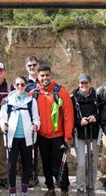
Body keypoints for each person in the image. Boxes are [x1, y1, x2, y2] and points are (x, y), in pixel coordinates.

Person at [29, 65, 74, 196]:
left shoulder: (60, 92)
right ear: (38, 77)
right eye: (42, 76)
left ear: (51, 76)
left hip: (58, 135)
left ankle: (64, 189)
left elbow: (68, 115)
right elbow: (21, 101)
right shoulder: (34, 94)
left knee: (60, 163)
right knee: (46, 163)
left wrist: (68, 135)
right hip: (42, 136)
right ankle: (50, 188)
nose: (45, 78)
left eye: (47, 75)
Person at [0, 76, 40, 196]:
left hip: (27, 138)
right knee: (11, 166)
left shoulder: (31, 100)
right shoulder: (8, 100)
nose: (20, 87)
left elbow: (36, 118)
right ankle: (12, 191)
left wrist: (35, 125)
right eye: (17, 84)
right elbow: (2, 117)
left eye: (22, 84)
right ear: (14, 85)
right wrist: (3, 125)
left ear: (26, 86)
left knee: (27, 165)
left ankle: (24, 190)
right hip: (12, 137)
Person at [72, 74, 100, 196]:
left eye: (86, 83)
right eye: (81, 83)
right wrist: (79, 122)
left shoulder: (97, 98)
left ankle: (91, 185)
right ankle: (80, 186)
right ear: (78, 84)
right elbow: (71, 117)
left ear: (90, 83)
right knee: (82, 163)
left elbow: (103, 113)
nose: (84, 85)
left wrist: (95, 117)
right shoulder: (73, 99)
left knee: (93, 162)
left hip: (94, 134)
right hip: (80, 134)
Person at [24, 56, 40, 187]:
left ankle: (52, 177)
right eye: (29, 65)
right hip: (29, 122)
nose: (32, 67)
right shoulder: (23, 83)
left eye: (34, 65)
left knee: (48, 152)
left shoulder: (44, 80)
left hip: (45, 121)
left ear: (38, 65)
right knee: (30, 151)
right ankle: (32, 177)